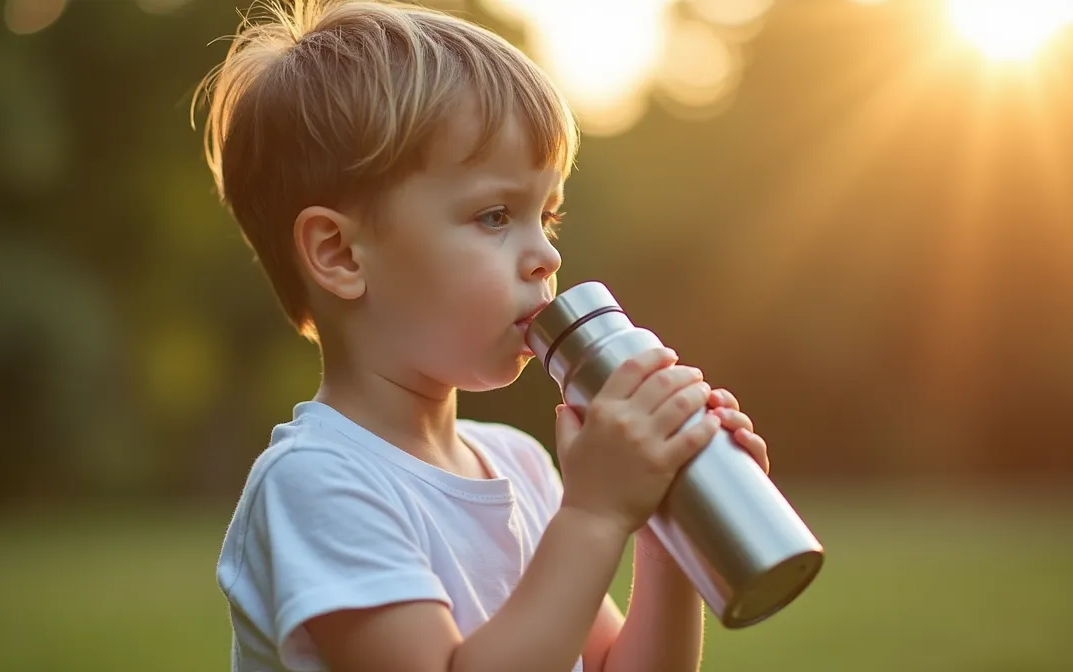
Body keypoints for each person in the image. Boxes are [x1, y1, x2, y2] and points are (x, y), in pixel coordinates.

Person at [194, 1, 771, 670]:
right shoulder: (318, 482)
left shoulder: (521, 465)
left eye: (546, 218)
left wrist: (668, 530)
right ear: (341, 255)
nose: (546, 257)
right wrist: (594, 513)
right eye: (496, 215)